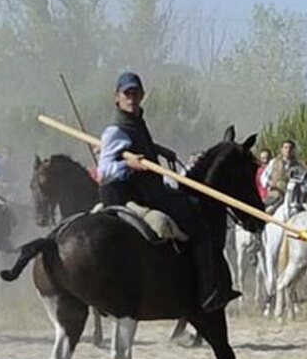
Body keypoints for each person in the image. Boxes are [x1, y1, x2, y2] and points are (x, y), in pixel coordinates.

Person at [97, 70, 236, 312]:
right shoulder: (116, 130)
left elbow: (137, 144)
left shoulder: (136, 121)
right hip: (141, 195)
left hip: (149, 190)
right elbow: (104, 170)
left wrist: (158, 150)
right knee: (200, 227)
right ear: (117, 97)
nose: (132, 98)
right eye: (127, 93)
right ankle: (207, 294)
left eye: (136, 93)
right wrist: (128, 165)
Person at [262, 139, 306, 210]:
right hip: (275, 196)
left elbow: (305, 184)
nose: (288, 150)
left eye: (290, 148)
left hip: (291, 199)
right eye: (285, 147)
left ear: (294, 150)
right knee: (267, 211)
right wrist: (269, 183)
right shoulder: (273, 162)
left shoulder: (299, 167)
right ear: (282, 149)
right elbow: (264, 177)